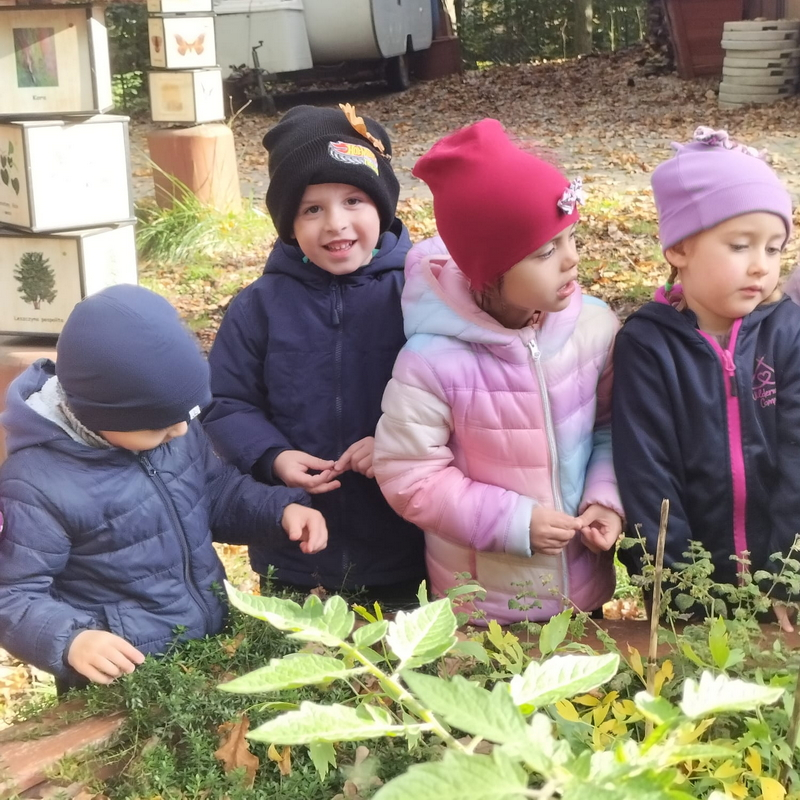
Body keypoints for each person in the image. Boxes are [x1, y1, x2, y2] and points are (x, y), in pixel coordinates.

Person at [0, 285, 326, 689]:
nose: (182, 431)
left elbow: (213, 491)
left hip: (209, 647)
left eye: (186, 417)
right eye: (161, 426)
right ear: (100, 415)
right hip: (124, 679)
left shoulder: (171, 430)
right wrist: (71, 640)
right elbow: (12, 593)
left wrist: (278, 510)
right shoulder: (35, 486)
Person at [373, 119, 623, 624]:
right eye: (546, 251)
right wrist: (513, 522)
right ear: (490, 272)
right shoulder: (432, 361)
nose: (571, 260)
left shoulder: (594, 328)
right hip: (482, 605)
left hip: (582, 594)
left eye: (571, 238)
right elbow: (408, 474)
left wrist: (606, 499)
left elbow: (610, 428)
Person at [202, 104, 425, 606]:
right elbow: (225, 401)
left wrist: (396, 442)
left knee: (399, 651)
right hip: (294, 542)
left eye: (353, 201)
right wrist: (272, 456)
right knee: (300, 652)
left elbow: (456, 394)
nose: (335, 224)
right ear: (288, 224)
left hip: (404, 539)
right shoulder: (259, 306)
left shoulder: (420, 294)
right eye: (311, 209)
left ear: (383, 207)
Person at [612, 126, 799, 632]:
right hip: (691, 602)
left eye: (774, 248)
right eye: (740, 245)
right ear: (679, 248)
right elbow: (647, 476)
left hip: (780, 590)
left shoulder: (787, 332)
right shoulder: (647, 346)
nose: (761, 266)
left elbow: (796, 457)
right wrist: (677, 592)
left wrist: (787, 575)